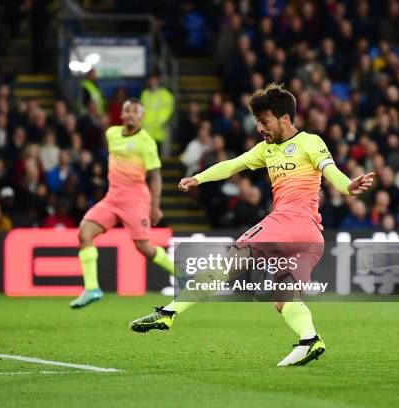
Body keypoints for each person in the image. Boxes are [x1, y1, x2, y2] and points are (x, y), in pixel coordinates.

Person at [129, 83, 375, 366]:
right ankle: (310, 340)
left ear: (285, 118)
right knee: (285, 300)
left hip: (290, 222)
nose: (260, 127)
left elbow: (332, 172)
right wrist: (198, 178)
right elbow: (232, 165)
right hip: (309, 240)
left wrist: (349, 186)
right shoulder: (266, 149)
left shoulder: (310, 142)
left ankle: (169, 313)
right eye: (258, 122)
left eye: (265, 121)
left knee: (232, 259)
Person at [69, 98, 175, 308]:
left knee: (144, 248)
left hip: (136, 200)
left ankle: (182, 276)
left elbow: (155, 176)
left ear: (142, 116)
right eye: (127, 111)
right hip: (112, 198)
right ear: (122, 114)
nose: (131, 115)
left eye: (135, 111)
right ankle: (92, 289)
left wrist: (155, 206)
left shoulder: (146, 142)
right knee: (84, 233)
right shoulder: (112, 133)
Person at [141, 72, 175, 146]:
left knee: (155, 153)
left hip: (157, 131)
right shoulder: (145, 93)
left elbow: (168, 110)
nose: (153, 81)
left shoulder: (165, 94)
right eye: (151, 79)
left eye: (155, 79)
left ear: (159, 80)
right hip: (145, 131)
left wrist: (159, 121)